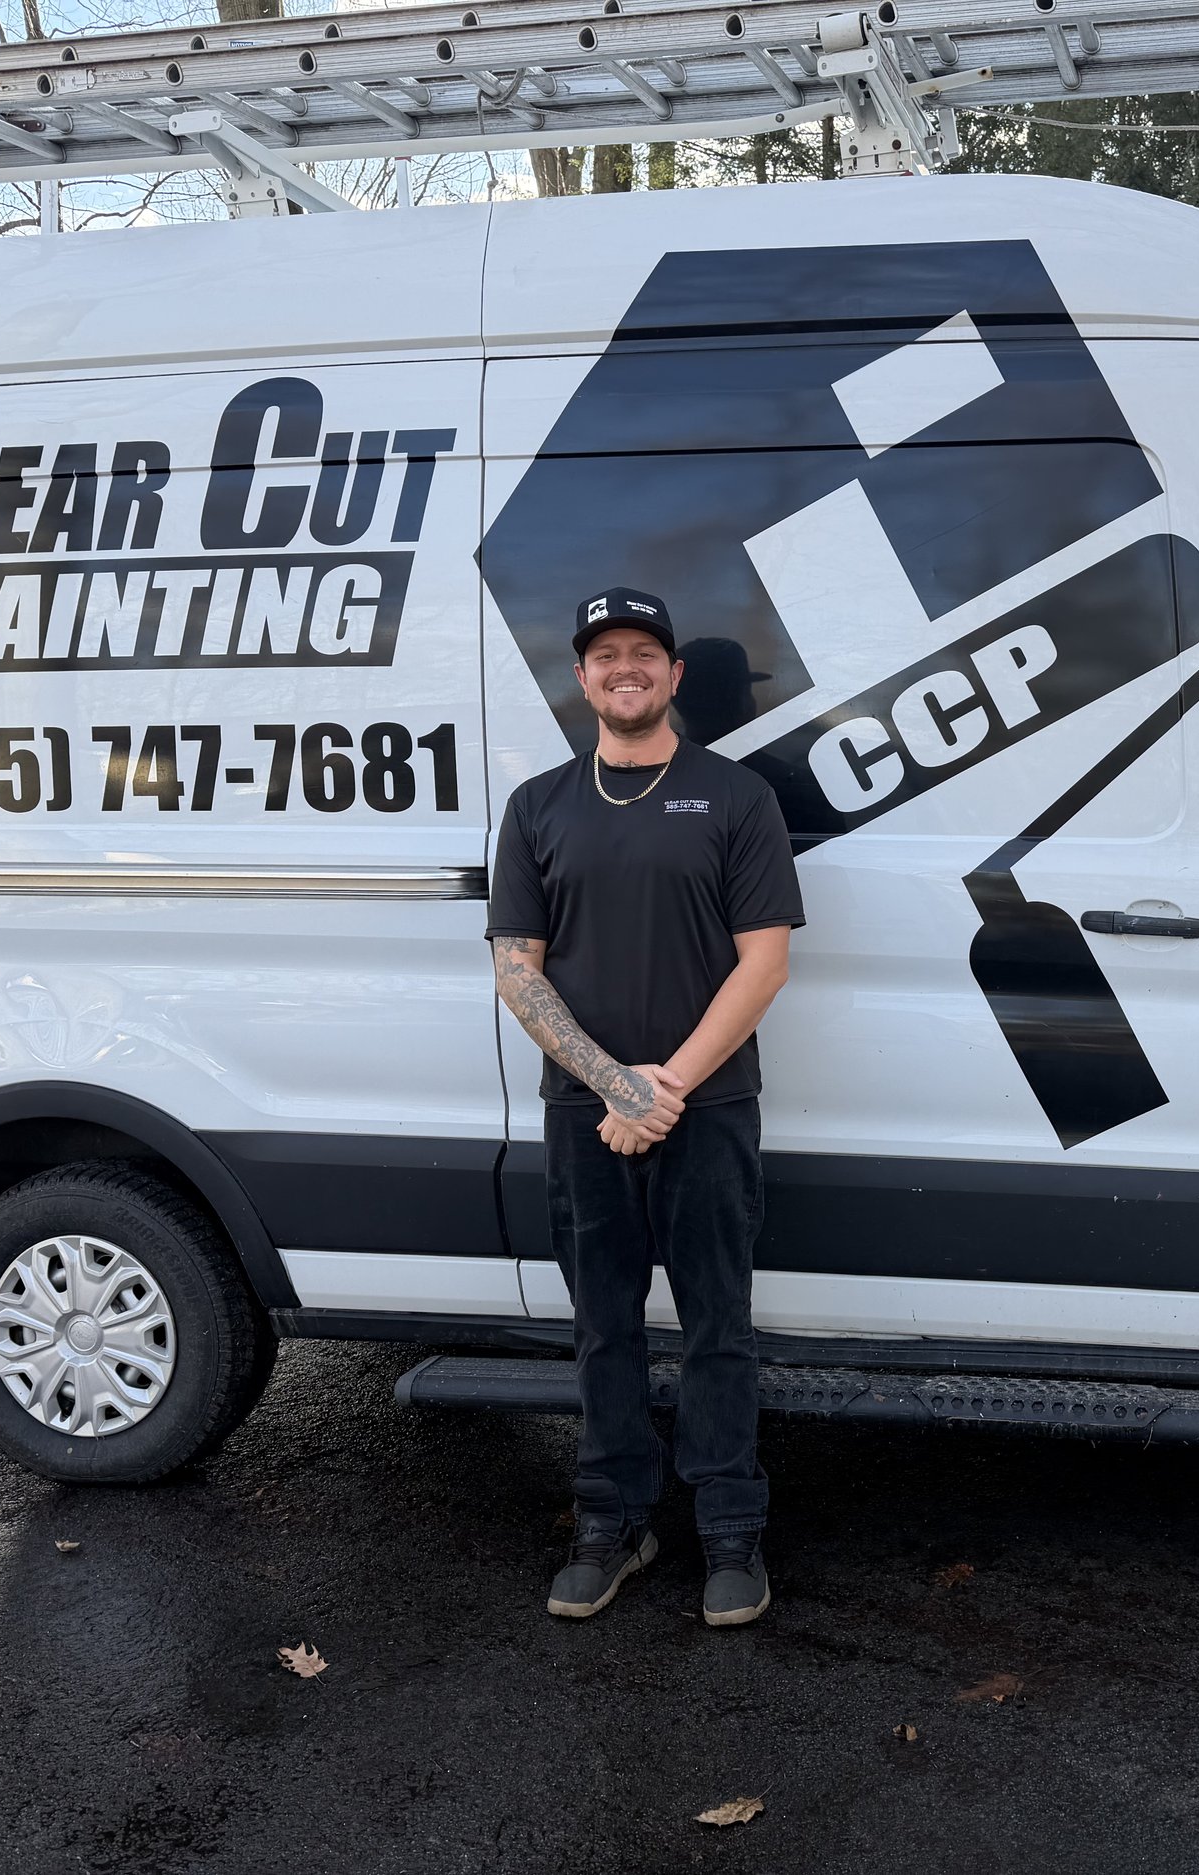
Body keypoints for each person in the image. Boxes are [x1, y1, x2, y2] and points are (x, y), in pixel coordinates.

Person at [486, 586, 804, 1627]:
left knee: (718, 1327)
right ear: (582, 678)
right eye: (606, 654)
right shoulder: (538, 806)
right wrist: (614, 1087)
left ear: (673, 674)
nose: (626, 668)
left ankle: (730, 1531)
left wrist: (663, 1088)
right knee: (604, 1328)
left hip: (710, 1110)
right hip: (586, 1114)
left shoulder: (736, 798)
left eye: (644, 652)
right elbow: (517, 969)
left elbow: (764, 964)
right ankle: (612, 1522)